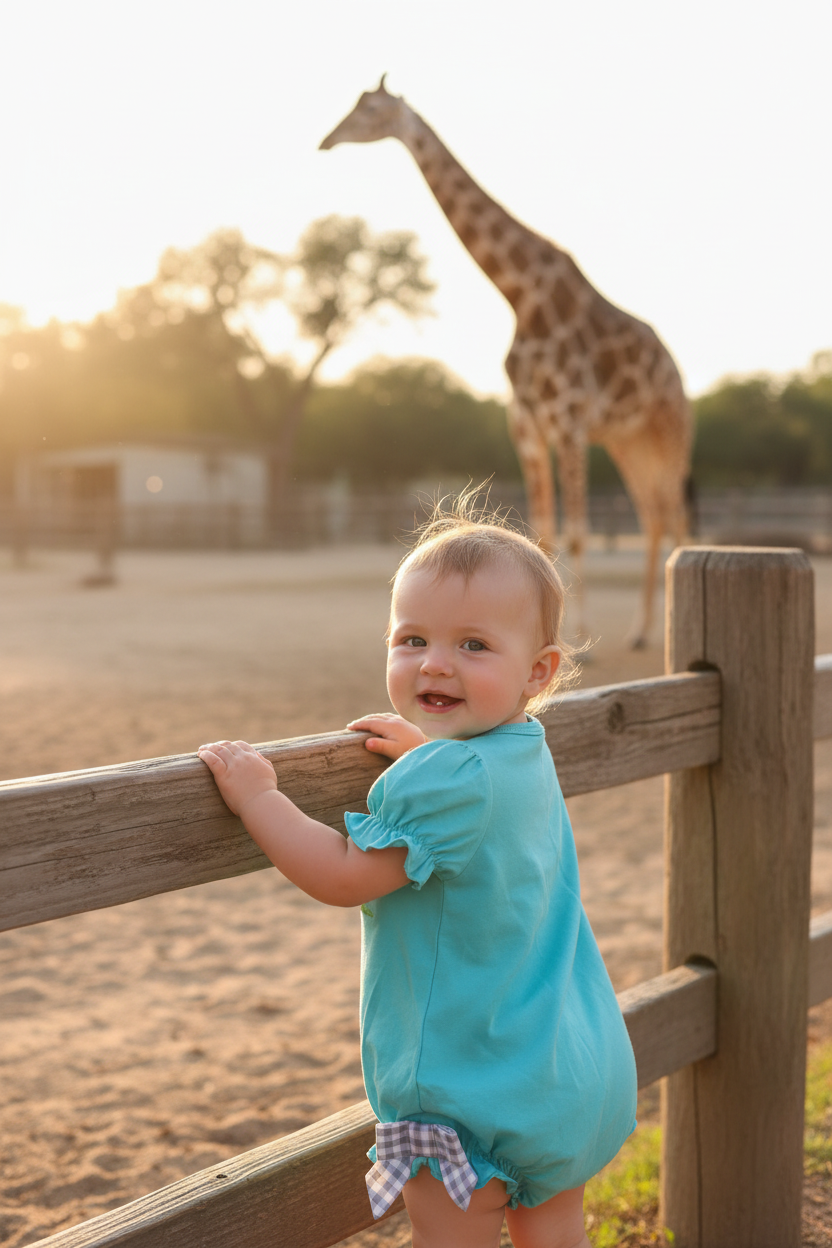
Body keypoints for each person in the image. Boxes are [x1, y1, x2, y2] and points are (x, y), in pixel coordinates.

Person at [198, 500, 637, 1248]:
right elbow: (473, 811)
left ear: (538, 670)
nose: (435, 663)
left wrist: (260, 798)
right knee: (555, 1232)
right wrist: (426, 749)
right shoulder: (522, 750)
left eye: (473, 644)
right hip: (562, 1071)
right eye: (412, 639)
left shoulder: (446, 780)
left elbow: (341, 874)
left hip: (469, 1097)